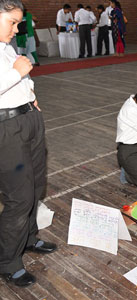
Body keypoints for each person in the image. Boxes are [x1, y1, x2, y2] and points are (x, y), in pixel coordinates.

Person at [0, 0, 57, 288]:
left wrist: (31, 92)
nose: (17, 28)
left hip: (28, 118)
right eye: (12, 21)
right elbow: (13, 76)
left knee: (36, 185)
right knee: (18, 197)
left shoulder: (6, 46)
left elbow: (22, 78)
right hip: (6, 128)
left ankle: (29, 237)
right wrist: (17, 74)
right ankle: (8, 261)